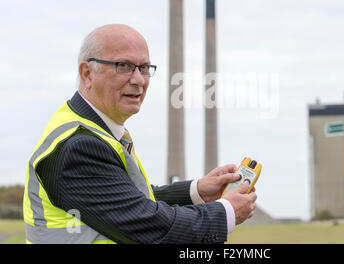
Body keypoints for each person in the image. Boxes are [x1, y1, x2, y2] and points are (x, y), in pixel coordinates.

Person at [23, 24, 257, 244]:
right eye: (123, 66)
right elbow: (151, 227)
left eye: (144, 68)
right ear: (87, 74)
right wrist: (226, 211)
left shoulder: (96, 130)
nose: (138, 80)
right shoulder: (78, 146)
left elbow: (130, 198)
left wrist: (197, 190)